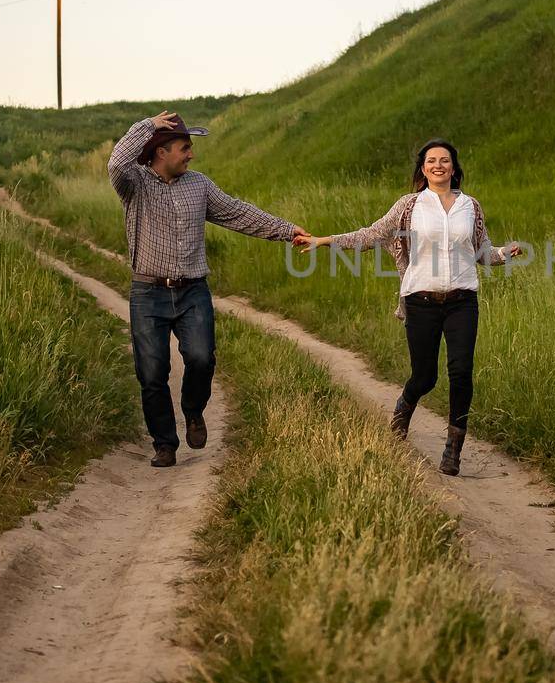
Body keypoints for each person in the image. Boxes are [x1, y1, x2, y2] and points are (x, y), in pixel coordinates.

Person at [296, 139, 521, 476]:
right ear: (423, 168)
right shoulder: (409, 206)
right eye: (432, 160)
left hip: (463, 300)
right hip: (421, 300)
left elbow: (483, 251)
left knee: (461, 372)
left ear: (455, 168)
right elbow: (371, 235)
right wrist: (323, 241)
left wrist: (504, 253)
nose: (439, 165)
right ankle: (405, 404)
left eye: (445, 160)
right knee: (424, 376)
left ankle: (453, 449)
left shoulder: (470, 206)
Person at [108, 110, 308, 467]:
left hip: (192, 291)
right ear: (160, 152)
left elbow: (238, 213)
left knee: (201, 358)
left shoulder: (199, 185)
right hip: (148, 293)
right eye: (184, 147)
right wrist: (148, 125)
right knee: (152, 373)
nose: (191, 154)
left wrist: (286, 230)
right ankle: (164, 444)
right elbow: (116, 162)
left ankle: (193, 410)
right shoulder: (133, 184)